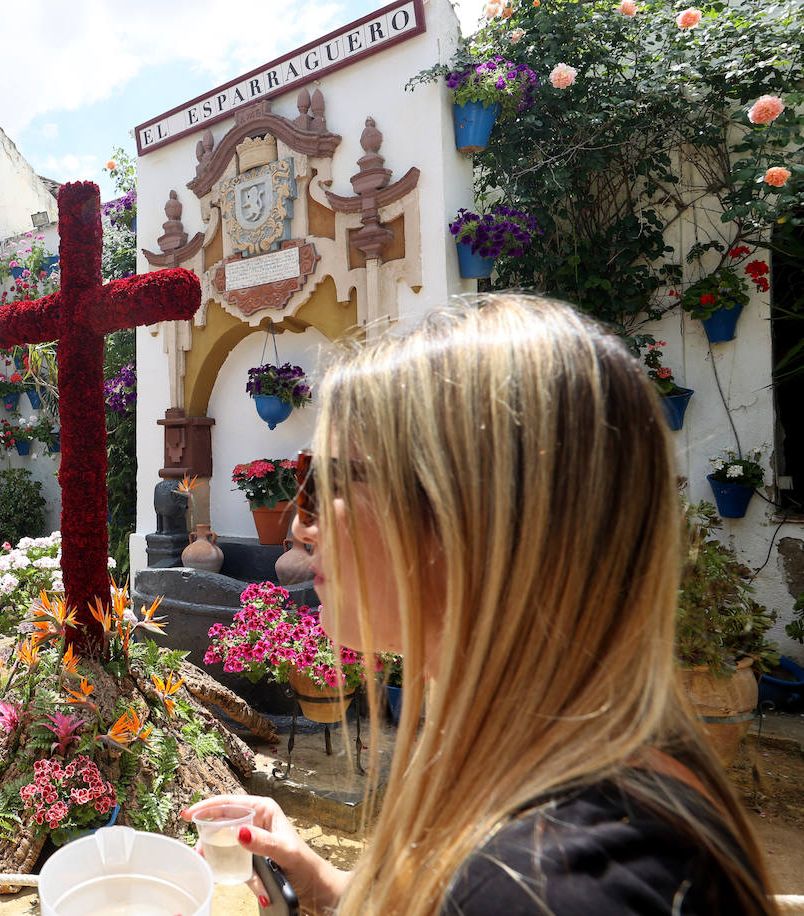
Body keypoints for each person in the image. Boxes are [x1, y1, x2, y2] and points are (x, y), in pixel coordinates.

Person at [185, 295, 776, 915]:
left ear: (465, 520)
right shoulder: (576, 775)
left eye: (324, 481)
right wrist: (328, 887)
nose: (301, 527)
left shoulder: (550, 883)